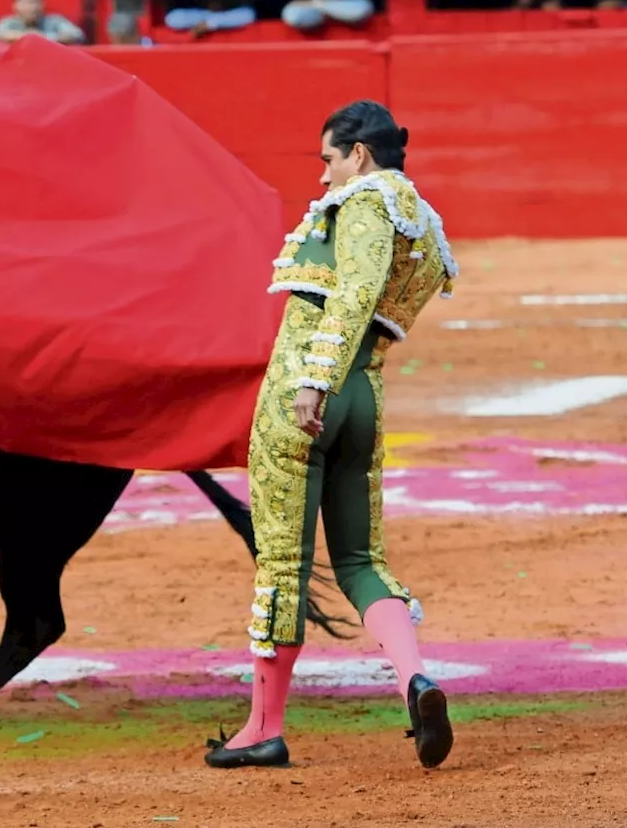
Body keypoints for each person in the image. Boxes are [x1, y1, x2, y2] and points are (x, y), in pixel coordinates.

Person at [204, 100, 458, 771]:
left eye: (329, 159)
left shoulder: (365, 203)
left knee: (283, 564)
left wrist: (313, 382)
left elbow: (351, 294)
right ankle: (416, 680)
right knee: (360, 560)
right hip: (366, 395)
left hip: (306, 391)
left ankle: (263, 726)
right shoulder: (425, 227)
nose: (323, 179)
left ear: (360, 156)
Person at [0, 0, 85, 44]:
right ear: (15, 5)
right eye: (25, 2)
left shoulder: (55, 21)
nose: (30, 7)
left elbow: (77, 35)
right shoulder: (8, 22)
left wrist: (43, 37)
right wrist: (28, 36)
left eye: (34, 1)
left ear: (42, 4)